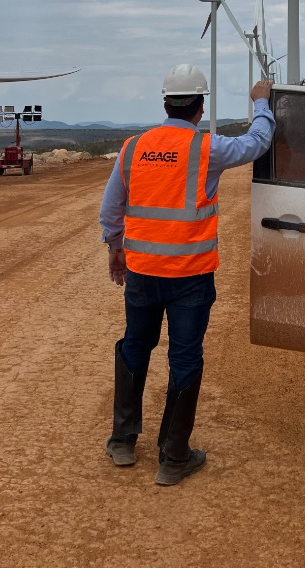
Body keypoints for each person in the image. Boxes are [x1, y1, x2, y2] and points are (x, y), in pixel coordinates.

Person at [99, 63, 274, 485]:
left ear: (165, 103)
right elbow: (259, 142)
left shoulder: (134, 148)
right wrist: (262, 101)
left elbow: (111, 209)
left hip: (141, 272)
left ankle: (123, 441)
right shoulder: (207, 149)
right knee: (184, 357)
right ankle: (173, 458)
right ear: (199, 107)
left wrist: (115, 249)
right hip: (190, 278)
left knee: (135, 347)